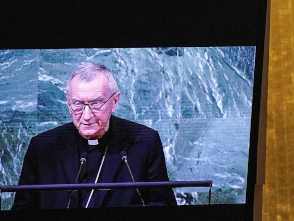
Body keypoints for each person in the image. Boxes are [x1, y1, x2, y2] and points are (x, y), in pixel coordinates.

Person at [13, 62, 176, 209]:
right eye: (77, 104)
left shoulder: (144, 141)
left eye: (96, 104)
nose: (86, 115)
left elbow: (163, 203)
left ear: (115, 101)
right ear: (68, 103)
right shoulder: (43, 147)